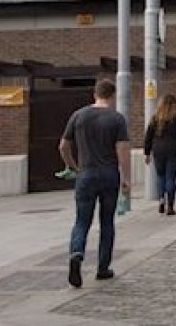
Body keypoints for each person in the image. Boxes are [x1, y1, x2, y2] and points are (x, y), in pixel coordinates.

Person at [58, 79, 130, 289]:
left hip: (86, 174)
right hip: (109, 175)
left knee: (82, 220)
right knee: (107, 222)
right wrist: (125, 178)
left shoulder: (78, 115)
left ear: (94, 94)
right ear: (112, 95)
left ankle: (76, 254)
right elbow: (123, 150)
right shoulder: (116, 118)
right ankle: (103, 268)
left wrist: (73, 166)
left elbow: (63, 146)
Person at [144, 94, 176, 215]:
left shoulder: (155, 118)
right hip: (175, 149)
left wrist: (147, 152)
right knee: (171, 177)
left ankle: (161, 199)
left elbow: (148, 136)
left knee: (161, 176)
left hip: (158, 149)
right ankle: (170, 205)